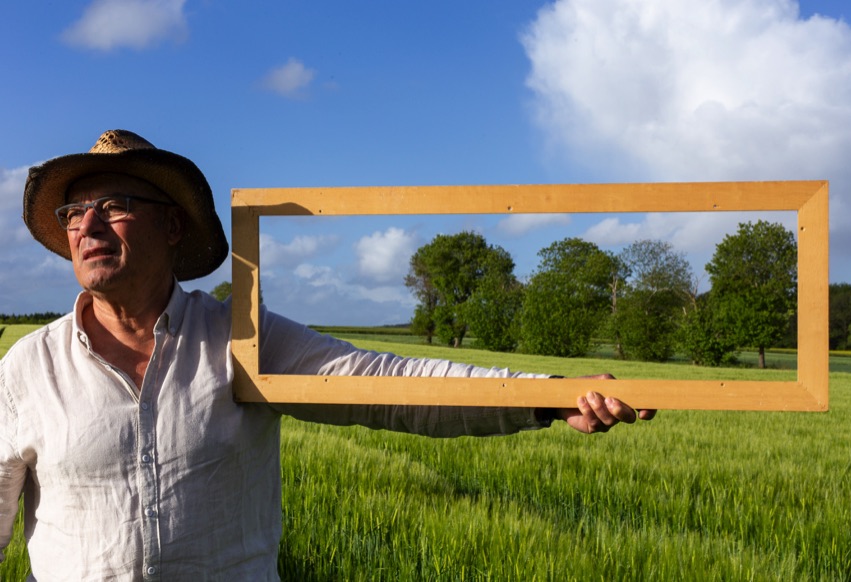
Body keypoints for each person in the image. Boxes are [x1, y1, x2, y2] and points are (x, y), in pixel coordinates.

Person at [0, 130, 655, 580]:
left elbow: (389, 384)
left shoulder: (241, 340)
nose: (85, 226)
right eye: (74, 210)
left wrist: (544, 393)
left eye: (113, 206)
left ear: (171, 226)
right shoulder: (26, 369)